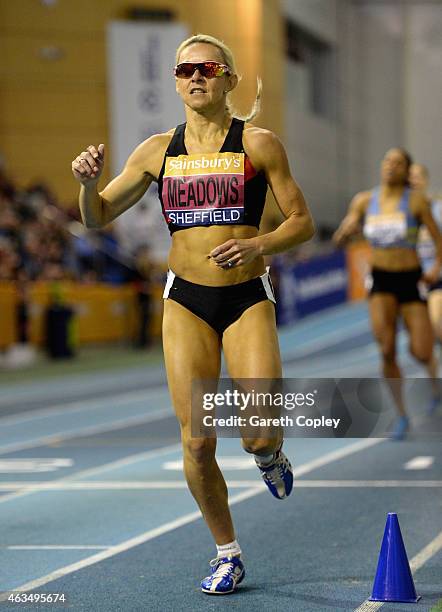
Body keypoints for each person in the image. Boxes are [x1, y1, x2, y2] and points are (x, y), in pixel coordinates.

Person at [72, 33, 314, 595]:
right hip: (186, 299)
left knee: (254, 436)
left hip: (246, 294)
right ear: (176, 81)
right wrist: (86, 187)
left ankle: (271, 452)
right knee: (198, 440)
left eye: (208, 67)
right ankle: (227, 552)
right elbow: (97, 216)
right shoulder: (157, 150)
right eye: (184, 70)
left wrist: (260, 246)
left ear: (228, 78)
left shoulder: (259, 144)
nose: (195, 76)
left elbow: (301, 221)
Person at [333, 148, 442, 439]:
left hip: (411, 279)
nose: (391, 166)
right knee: (386, 349)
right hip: (381, 281)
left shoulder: (416, 202)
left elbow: (437, 238)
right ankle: (402, 414)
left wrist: (436, 268)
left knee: (420, 350)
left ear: (407, 170)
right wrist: (345, 233)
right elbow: (342, 236)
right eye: (387, 161)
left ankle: (431, 372)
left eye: (398, 163)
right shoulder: (365, 201)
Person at [410, 164, 442, 359]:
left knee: (436, 320)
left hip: (437, 279)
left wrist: (436, 268)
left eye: (417, 176)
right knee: (420, 345)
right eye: (409, 177)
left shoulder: (438, 209)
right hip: (413, 282)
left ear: (425, 180)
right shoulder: (404, 212)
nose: (413, 180)